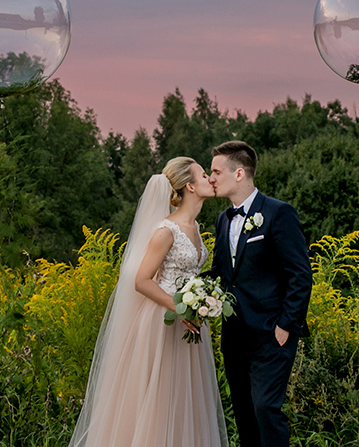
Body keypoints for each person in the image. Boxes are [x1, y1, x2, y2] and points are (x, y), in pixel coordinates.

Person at [69, 157, 228, 447]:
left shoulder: (194, 226)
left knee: (185, 401)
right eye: (205, 175)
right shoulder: (166, 230)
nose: (211, 179)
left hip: (189, 323)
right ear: (190, 186)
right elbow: (141, 280)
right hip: (163, 323)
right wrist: (180, 307)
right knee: (160, 401)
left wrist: (202, 302)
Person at [208, 141, 312, 447]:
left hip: (271, 335)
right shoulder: (223, 219)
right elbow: (220, 273)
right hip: (234, 337)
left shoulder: (279, 213)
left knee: (266, 409)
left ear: (239, 173)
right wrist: (192, 294)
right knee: (244, 414)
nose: (211, 177)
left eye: (216, 171)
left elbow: (300, 275)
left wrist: (286, 325)